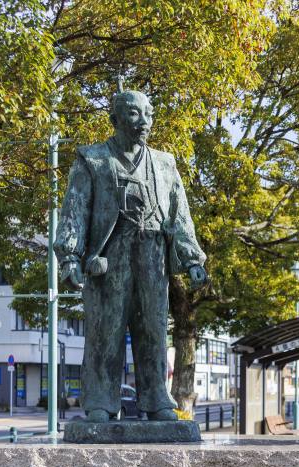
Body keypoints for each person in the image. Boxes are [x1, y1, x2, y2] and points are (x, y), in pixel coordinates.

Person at [53, 90, 207, 422]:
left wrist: (192, 258)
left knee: (153, 328)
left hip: (153, 254)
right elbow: (75, 210)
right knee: (105, 330)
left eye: (148, 114)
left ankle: (156, 399)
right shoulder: (92, 159)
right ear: (116, 119)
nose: (144, 121)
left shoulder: (165, 164)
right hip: (109, 257)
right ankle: (101, 401)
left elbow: (180, 214)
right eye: (135, 114)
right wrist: (70, 256)